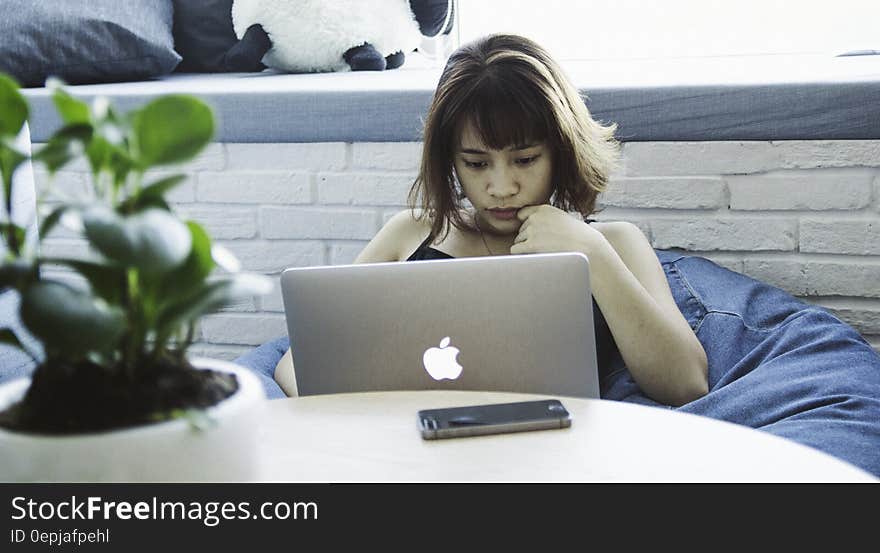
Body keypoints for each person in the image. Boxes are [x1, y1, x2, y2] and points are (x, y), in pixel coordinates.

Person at [274, 33, 708, 406]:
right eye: (477, 164)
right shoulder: (412, 234)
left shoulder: (615, 242)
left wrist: (591, 253)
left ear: (561, 151)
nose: (501, 187)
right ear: (451, 163)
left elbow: (686, 384)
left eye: (524, 160)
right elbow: (298, 367)